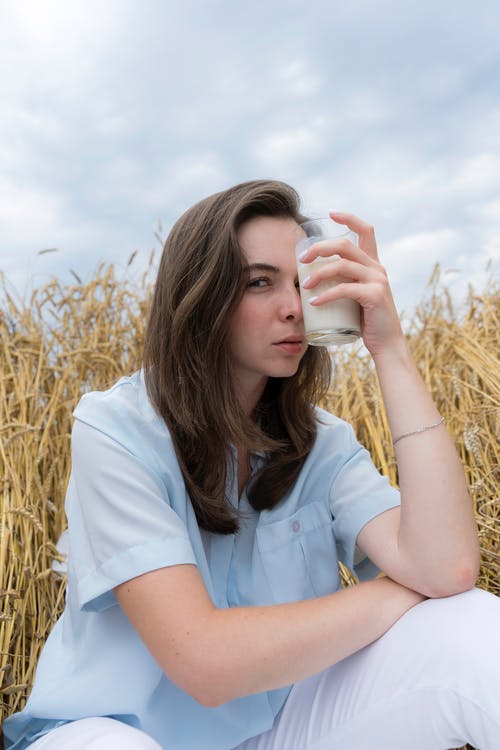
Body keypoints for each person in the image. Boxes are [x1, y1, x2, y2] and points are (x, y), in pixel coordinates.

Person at [3, 180, 500, 750]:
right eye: (260, 282)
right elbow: (205, 662)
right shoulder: (116, 430)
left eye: (302, 283)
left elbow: (449, 570)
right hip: (113, 732)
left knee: (467, 624)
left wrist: (390, 349)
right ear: (201, 295)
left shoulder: (323, 444)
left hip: (275, 730)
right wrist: (398, 592)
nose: (294, 307)